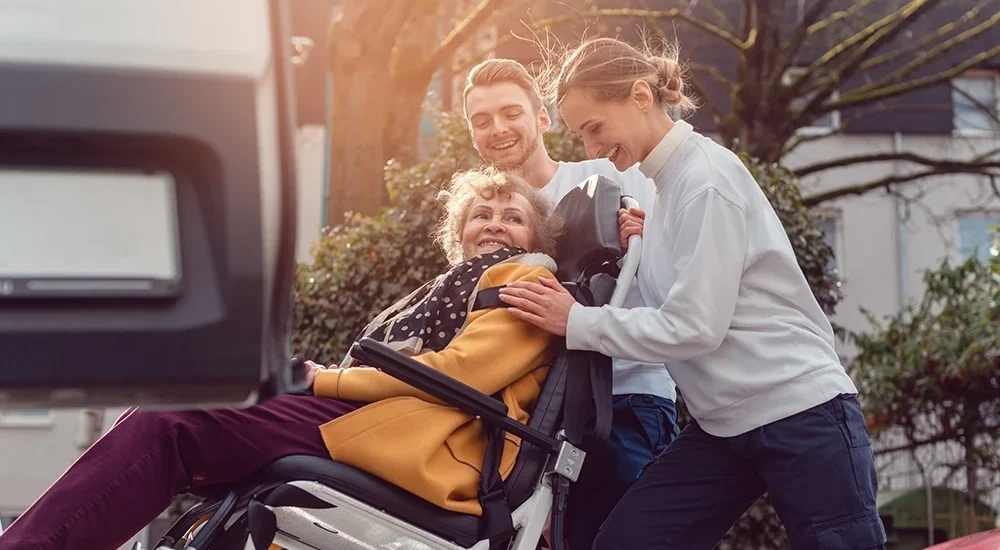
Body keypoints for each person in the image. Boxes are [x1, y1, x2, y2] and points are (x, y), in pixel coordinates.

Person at [0, 168, 567, 550]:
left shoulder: (527, 279)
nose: (495, 223)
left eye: (513, 216)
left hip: (428, 443)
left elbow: (460, 374)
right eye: (481, 214)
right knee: (179, 407)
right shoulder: (449, 287)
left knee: (175, 421)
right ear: (459, 234)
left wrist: (327, 383)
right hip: (386, 420)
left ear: (535, 237)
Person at [497, 37, 888, 550]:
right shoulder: (665, 190)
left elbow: (694, 326)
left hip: (800, 412)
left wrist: (576, 320)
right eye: (581, 135)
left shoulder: (705, 179)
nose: (591, 150)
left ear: (641, 96)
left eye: (594, 128)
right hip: (724, 426)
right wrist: (646, 242)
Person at [462, 58, 680, 550]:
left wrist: (650, 239)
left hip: (622, 400)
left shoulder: (611, 174)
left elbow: (681, 266)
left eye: (511, 113)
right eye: (482, 120)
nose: (498, 129)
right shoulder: (488, 218)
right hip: (530, 423)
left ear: (542, 118)